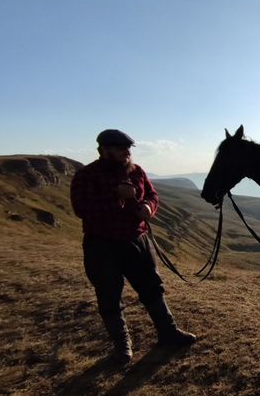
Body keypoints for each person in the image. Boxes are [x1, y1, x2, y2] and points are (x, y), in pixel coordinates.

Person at [70, 129, 196, 363]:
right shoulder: (86, 176)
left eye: (127, 149)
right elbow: (82, 208)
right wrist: (118, 197)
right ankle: (122, 345)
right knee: (108, 294)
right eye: (120, 149)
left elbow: (152, 194)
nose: (127, 153)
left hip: (136, 240)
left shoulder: (137, 171)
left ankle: (168, 332)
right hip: (102, 245)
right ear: (104, 151)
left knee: (152, 287)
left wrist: (149, 207)